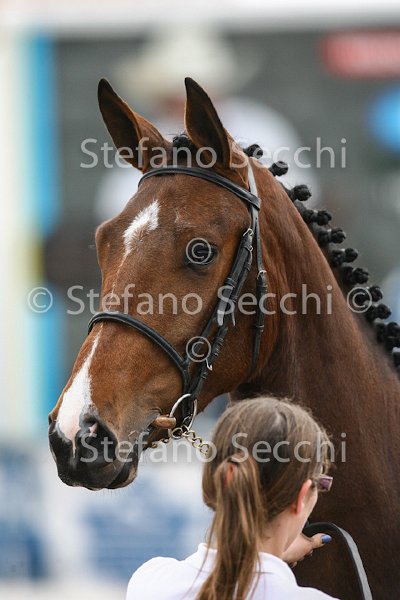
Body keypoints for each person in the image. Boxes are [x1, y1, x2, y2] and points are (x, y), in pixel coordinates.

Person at [126, 397, 338, 599]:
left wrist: (258, 558)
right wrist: (268, 558)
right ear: (302, 496)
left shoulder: (149, 582)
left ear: (216, 477)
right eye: (322, 483)